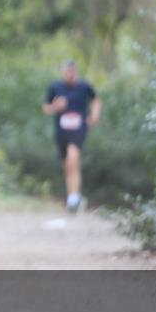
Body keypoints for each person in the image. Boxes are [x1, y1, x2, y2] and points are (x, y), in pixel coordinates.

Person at [42, 60, 102, 213]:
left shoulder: (85, 87)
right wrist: (56, 106)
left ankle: (73, 199)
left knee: (73, 158)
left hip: (79, 128)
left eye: (73, 71)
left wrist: (94, 116)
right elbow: (46, 109)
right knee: (67, 165)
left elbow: (96, 100)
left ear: (77, 72)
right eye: (67, 71)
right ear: (63, 72)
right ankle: (75, 195)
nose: (70, 74)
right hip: (62, 130)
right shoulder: (55, 87)